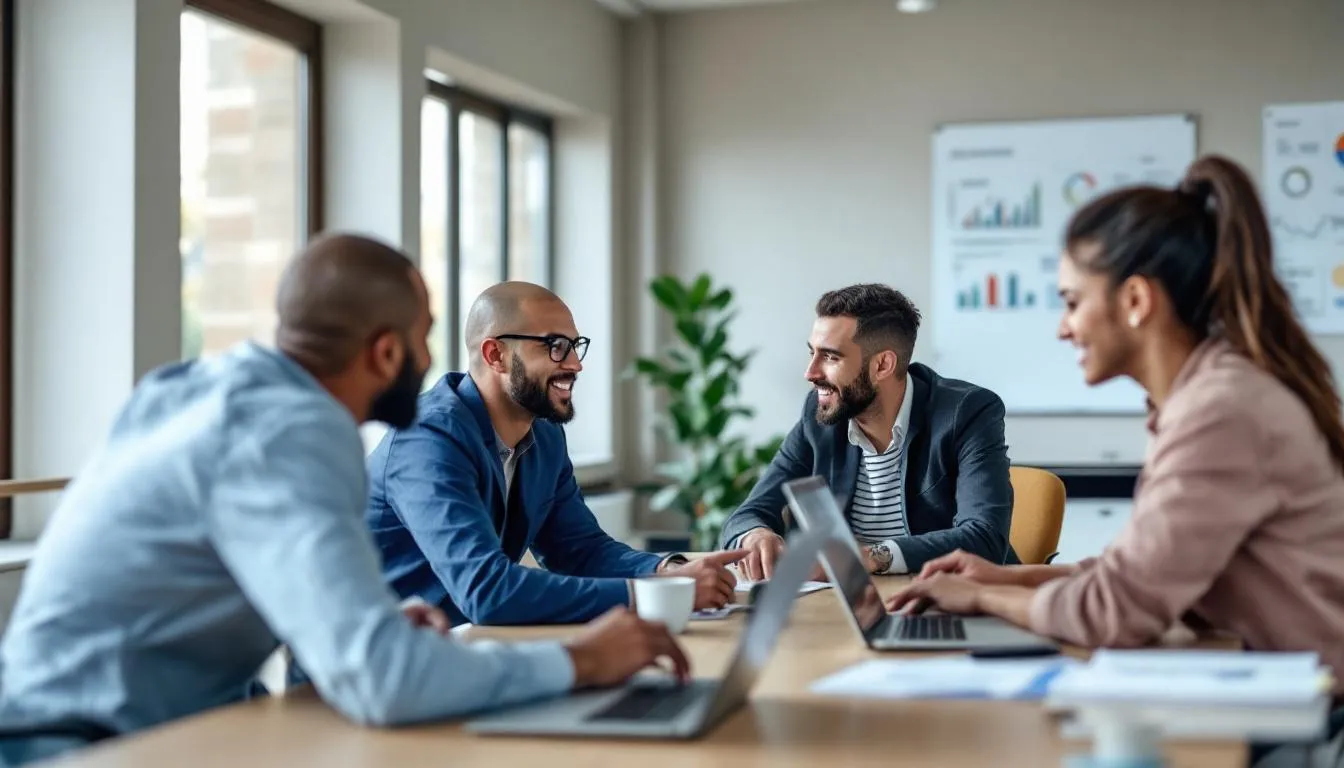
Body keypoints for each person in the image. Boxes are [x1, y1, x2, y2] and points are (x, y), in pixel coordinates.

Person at [0, 235, 688, 766]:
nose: (430, 358)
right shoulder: (296, 430)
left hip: (146, 728)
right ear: (387, 353)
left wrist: (378, 627)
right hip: (85, 748)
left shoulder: (198, 392)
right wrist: (582, 660)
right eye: (422, 337)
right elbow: (382, 680)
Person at [885, 155, 1344, 699]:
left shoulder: (1220, 411)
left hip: (1314, 714)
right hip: (1282, 685)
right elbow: (1140, 572)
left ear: (1135, 300)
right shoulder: (1208, 395)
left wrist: (982, 600)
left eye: (1073, 302)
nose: (1063, 329)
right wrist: (1009, 577)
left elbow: (1117, 611)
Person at [365, 282, 743, 626]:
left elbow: (580, 551)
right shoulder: (428, 440)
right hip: (376, 669)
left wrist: (667, 571)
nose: (576, 364)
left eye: (575, 346)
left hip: (464, 649)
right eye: (555, 346)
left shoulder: (543, 435)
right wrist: (650, 595)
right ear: (495, 354)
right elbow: (486, 590)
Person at [719, 284, 1017, 581]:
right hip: (849, 605)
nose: (810, 373)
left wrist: (868, 557)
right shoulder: (821, 415)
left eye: (831, 357)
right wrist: (755, 535)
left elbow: (983, 538)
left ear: (882, 365)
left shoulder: (966, 412)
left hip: (946, 601)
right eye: (812, 353)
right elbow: (748, 513)